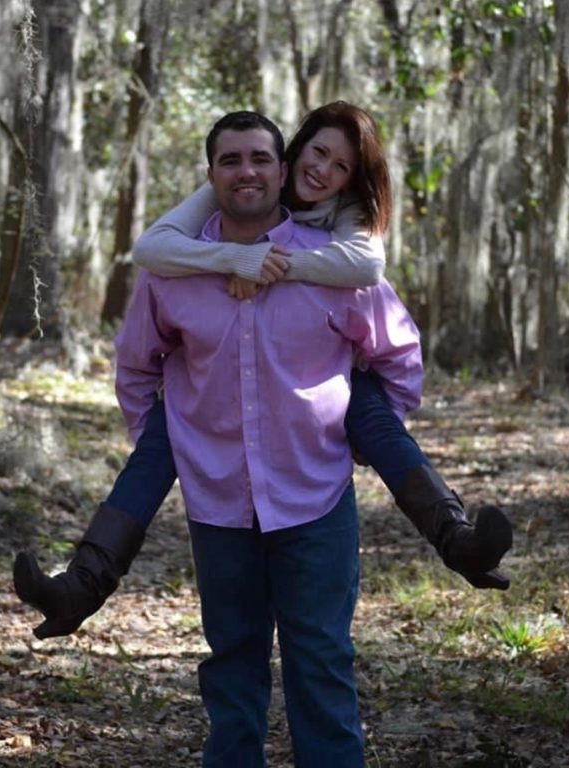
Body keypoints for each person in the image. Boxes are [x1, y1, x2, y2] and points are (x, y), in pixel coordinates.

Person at [13, 103, 512, 642]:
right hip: (216, 466)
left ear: (285, 168)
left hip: (339, 405)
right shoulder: (208, 217)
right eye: (317, 152)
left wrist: (275, 265)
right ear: (294, 153)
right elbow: (148, 264)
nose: (322, 170)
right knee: (163, 442)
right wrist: (231, 258)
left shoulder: (345, 224)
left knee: (373, 418)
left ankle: (458, 540)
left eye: (341, 166)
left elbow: (375, 292)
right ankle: (80, 588)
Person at [118, 109, 422, 766]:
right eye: (231, 160)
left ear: (280, 171)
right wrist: (170, 446)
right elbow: (137, 364)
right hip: (219, 506)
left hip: (314, 503)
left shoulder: (333, 264)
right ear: (211, 175)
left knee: (321, 669)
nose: (247, 171)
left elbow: (399, 353)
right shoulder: (175, 268)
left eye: (260, 158)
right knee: (231, 673)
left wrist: (368, 435)